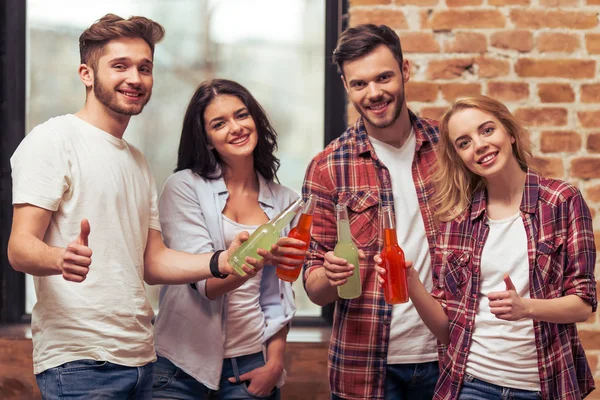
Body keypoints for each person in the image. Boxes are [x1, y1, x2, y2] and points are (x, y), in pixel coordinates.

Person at [8, 15, 252, 399]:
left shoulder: (136, 161)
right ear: (87, 74)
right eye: (119, 66)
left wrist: (219, 262)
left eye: (144, 67)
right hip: (81, 363)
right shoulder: (53, 140)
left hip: (141, 360)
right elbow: (20, 247)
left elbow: (152, 262)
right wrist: (60, 258)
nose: (135, 78)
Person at [376, 95, 597, 399]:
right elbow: (446, 331)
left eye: (487, 130)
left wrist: (525, 308)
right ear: (460, 157)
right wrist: (412, 284)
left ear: (510, 133)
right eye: (463, 143)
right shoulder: (458, 220)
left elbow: (583, 305)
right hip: (472, 383)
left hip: (543, 385)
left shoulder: (561, 201)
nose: (478, 145)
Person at [298, 24, 441, 399]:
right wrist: (329, 275)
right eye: (359, 83)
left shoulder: (450, 149)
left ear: (405, 71)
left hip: (452, 357)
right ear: (346, 87)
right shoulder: (328, 167)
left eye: (384, 77)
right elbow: (314, 289)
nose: (374, 93)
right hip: (365, 366)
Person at [151, 79, 302, 400]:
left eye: (241, 115)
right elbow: (206, 285)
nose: (235, 127)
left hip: (250, 366)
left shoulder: (285, 202)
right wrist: (257, 257)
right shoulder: (183, 187)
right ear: (206, 139)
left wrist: (274, 364)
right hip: (180, 367)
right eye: (219, 123)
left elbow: (278, 295)